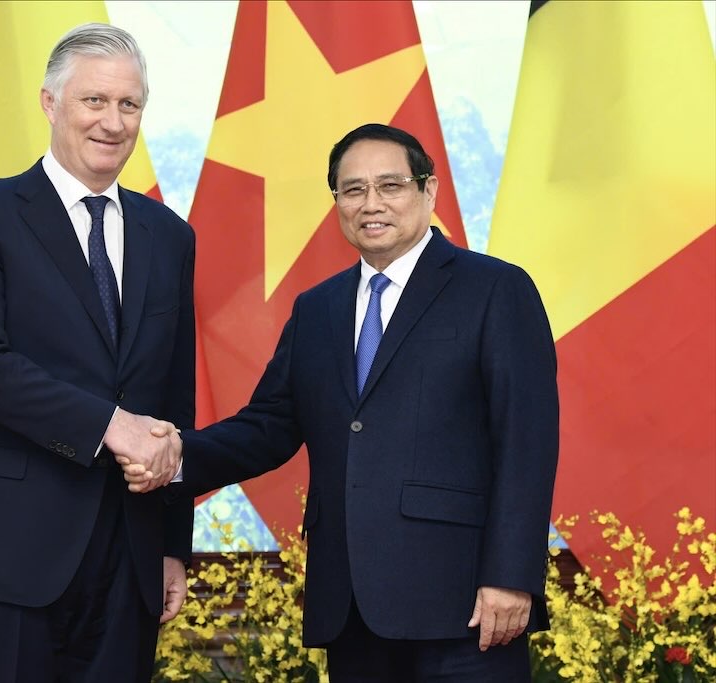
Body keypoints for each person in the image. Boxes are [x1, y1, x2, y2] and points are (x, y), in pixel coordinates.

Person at [128, 123, 559, 681]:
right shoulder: (319, 308)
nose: (371, 203)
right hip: (351, 607)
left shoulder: (496, 290)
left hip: (466, 607)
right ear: (336, 202)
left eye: (390, 185)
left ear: (428, 191)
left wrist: (510, 575)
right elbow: (269, 426)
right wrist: (172, 454)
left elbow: (527, 441)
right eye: (352, 190)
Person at [0, 23, 195, 683]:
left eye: (129, 105)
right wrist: (110, 425)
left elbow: (172, 399)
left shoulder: (170, 236)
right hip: (5, 548)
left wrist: (171, 544)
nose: (113, 121)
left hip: (128, 555)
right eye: (94, 101)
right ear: (49, 102)